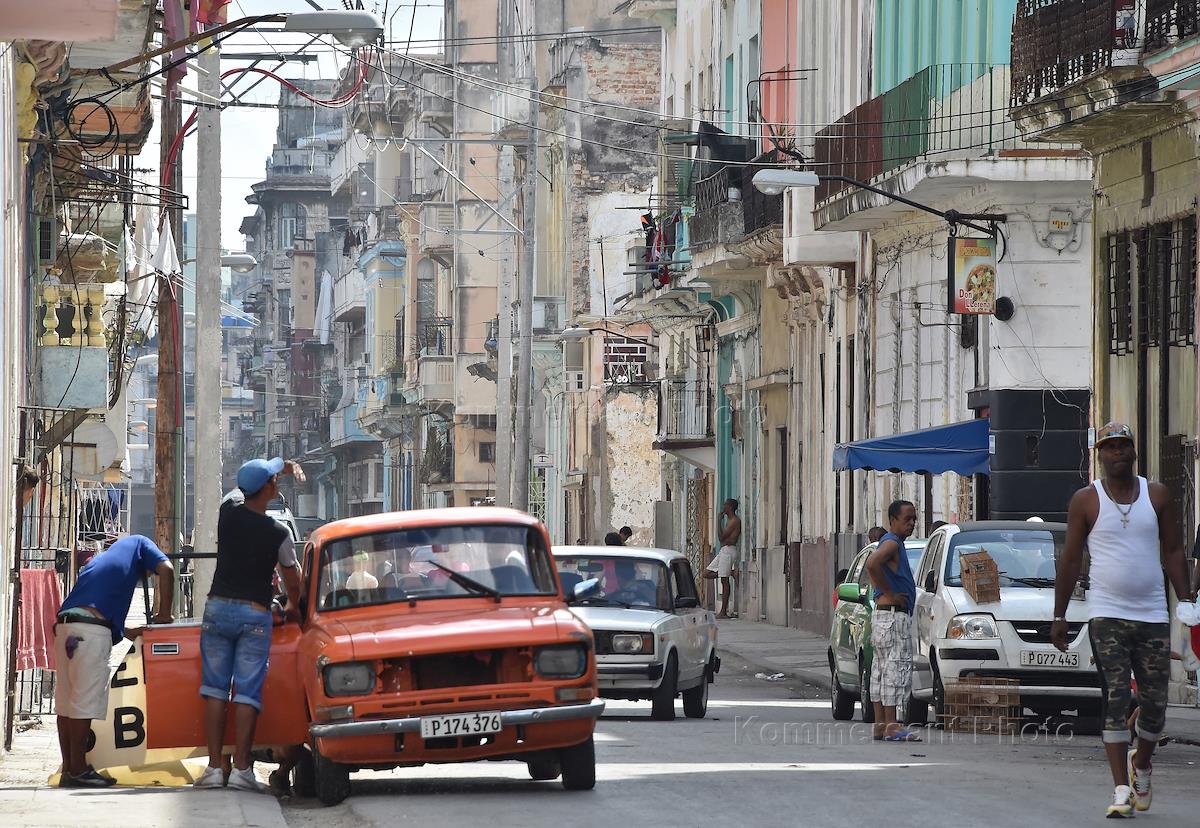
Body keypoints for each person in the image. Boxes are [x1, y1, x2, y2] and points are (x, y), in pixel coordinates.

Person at [1053, 422, 1195, 817]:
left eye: (1123, 446)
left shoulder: (1157, 495)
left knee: (1154, 705)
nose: (1116, 453)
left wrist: (1185, 598)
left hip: (1151, 613)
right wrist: (1059, 614)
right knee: (1116, 696)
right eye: (1109, 447)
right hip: (1105, 613)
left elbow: (1173, 550)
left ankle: (1142, 764)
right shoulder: (1086, 499)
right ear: (1099, 454)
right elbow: (1070, 558)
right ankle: (1119, 788)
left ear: (1134, 451)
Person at [194, 457, 304, 793]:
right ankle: (242, 769)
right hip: (254, 614)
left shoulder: (228, 517)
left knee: (214, 690)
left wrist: (274, 470)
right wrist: (293, 605)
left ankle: (214, 769)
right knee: (247, 692)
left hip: (217, 609)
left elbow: (237, 491)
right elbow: (293, 578)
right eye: (273, 479)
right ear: (270, 488)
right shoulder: (278, 532)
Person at [54, 535, 174, 787]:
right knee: (84, 703)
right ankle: (78, 770)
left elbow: (99, 611)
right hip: (89, 633)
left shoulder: (103, 561)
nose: (150, 576)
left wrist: (129, 631)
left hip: (66, 627)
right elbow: (167, 568)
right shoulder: (141, 543)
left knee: (66, 704)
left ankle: (68, 769)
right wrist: (164, 614)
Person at [865, 500, 921, 742]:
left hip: (882, 616)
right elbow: (872, 563)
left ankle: (880, 724)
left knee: (880, 670)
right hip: (893, 615)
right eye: (906, 519)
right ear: (893, 520)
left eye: (914, 519)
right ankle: (892, 725)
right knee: (895, 669)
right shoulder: (891, 542)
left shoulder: (892, 543)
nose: (911, 524)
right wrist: (890, 592)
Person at [704, 499, 741, 618]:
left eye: (725, 505)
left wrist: (719, 521)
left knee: (724, 581)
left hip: (729, 550)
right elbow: (723, 539)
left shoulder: (734, 521)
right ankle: (730, 572)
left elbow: (721, 537)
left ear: (730, 507)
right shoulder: (730, 521)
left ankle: (723, 612)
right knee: (706, 573)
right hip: (724, 550)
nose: (723, 507)